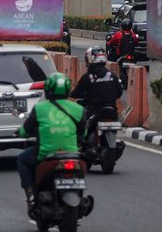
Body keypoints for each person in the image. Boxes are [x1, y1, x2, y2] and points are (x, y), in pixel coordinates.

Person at [16, 72, 86, 219]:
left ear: (47, 90)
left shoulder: (40, 108)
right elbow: (82, 134)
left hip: (46, 154)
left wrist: (19, 133)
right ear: (67, 90)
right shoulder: (78, 109)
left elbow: (26, 131)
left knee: (22, 159)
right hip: (72, 154)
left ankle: (31, 196)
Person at [70, 46, 123, 139]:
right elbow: (119, 92)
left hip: (94, 109)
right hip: (111, 109)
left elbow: (76, 93)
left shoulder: (87, 77)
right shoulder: (112, 75)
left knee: (81, 131)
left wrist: (70, 93)